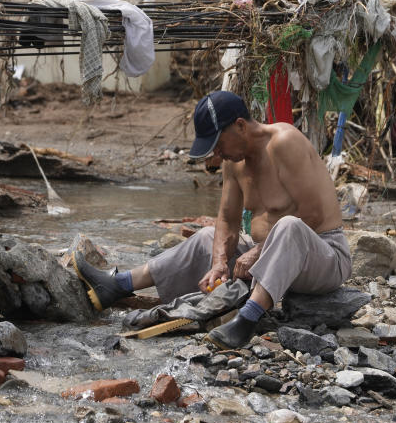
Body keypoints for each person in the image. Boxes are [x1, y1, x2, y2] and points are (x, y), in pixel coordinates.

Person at [73, 90, 352, 348]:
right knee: (207, 237)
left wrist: (256, 252)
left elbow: (312, 216)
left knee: (289, 226)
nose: (216, 155)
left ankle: (247, 319)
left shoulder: (284, 142)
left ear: (241, 126)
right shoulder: (233, 162)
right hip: (269, 261)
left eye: (218, 144)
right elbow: (227, 220)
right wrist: (219, 262)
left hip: (323, 256)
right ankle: (118, 284)